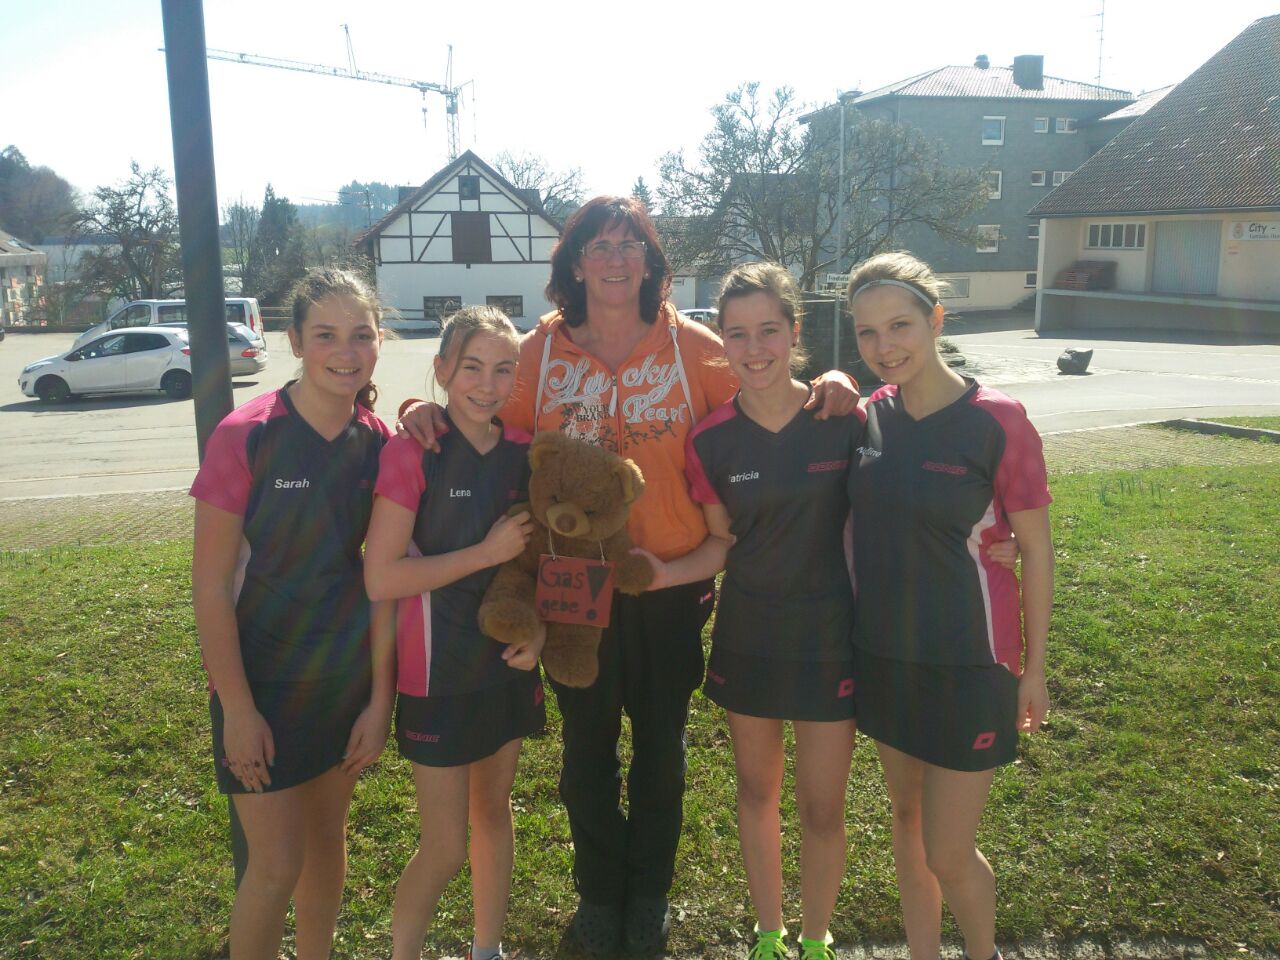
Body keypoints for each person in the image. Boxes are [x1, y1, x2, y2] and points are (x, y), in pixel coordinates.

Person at [398, 196, 860, 958]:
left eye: (630, 245)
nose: (615, 259)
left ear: (650, 262)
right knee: (586, 753)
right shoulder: (540, 353)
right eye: (599, 246)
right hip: (571, 590)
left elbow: (768, 398)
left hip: (667, 585)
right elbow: (483, 415)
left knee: (659, 752)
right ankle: (598, 894)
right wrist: (423, 406)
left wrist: (834, 378)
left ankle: (648, 895)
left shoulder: (697, 348)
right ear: (576, 263)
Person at [639, 263, 861, 960]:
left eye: (768, 329)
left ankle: (816, 939)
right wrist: (663, 575)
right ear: (722, 343)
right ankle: (769, 933)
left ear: (795, 331)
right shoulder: (709, 440)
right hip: (750, 637)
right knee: (756, 793)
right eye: (737, 334)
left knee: (823, 808)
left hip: (831, 639)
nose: (754, 347)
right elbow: (719, 545)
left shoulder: (843, 418)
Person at [844, 252, 1054, 960]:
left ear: (935, 320)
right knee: (906, 824)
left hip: (971, 663)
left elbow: (1037, 550)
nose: (884, 346)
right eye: (867, 332)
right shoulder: (867, 415)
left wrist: (1035, 668)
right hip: (884, 657)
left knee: (949, 851)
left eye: (899, 325)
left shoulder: (998, 420)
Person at [190, 267, 395, 960]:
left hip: (341, 682)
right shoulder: (247, 435)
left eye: (361, 334)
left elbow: (382, 581)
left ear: (379, 341)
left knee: (326, 845)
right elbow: (211, 586)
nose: (346, 351)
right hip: (261, 684)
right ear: (296, 342)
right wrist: (238, 709)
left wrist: (379, 702)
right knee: (275, 865)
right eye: (326, 335)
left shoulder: (379, 442)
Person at [363, 306, 545, 960]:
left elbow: (541, 562)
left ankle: (486, 950)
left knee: (493, 813)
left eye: (503, 370)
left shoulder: (527, 451)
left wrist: (540, 634)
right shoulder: (412, 452)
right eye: (472, 368)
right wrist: (483, 554)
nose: (487, 385)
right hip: (435, 674)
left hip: (505, 665)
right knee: (443, 847)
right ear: (441, 370)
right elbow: (381, 577)